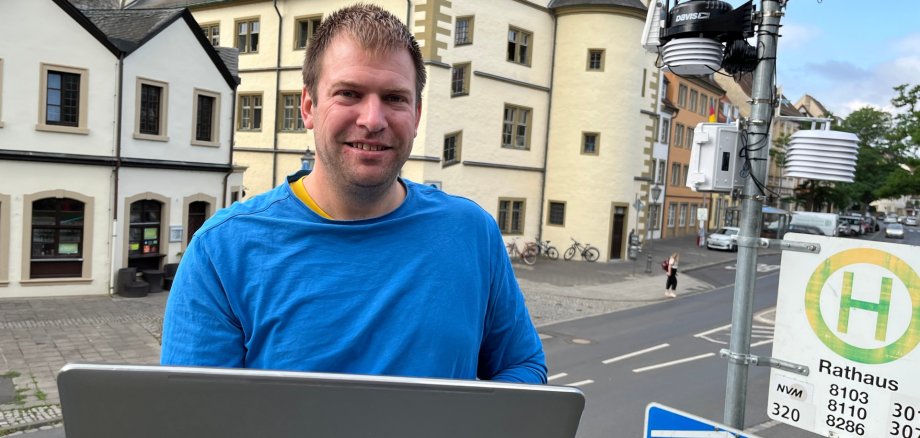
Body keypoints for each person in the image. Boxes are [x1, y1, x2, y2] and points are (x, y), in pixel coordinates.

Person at [160, 4, 546, 384]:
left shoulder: (471, 232)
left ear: (416, 114)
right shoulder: (222, 252)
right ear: (308, 106)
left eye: (395, 98)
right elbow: (191, 416)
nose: (373, 120)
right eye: (348, 93)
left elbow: (523, 364)